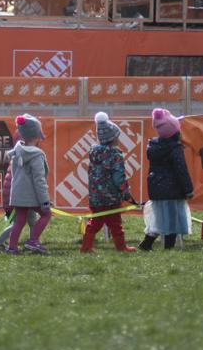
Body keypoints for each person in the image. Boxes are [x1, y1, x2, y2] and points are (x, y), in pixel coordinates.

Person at [80, 112, 135, 253]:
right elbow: (118, 178)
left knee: (95, 222)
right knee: (115, 223)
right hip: (111, 197)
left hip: (96, 197)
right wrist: (126, 193)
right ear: (114, 138)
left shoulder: (93, 153)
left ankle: (86, 246)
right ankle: (121, 247)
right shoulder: (115, 155)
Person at [140, 108, 192, 251]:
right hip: (173, 189)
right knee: (173, 220)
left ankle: (147, 243)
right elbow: (181, 170)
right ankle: (169, 248)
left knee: (159, 218)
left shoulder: (153, 146)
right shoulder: (175, 148)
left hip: (156, 188)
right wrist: (188, 189)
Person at [4, 114, 51, 254]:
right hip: (31, 196)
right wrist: (45, 201)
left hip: (17, 195)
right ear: (37, 136)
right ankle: (33, 240)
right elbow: (39, 180)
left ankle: (12, 247)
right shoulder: (37, 155)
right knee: (46, 214)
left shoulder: (17, 151)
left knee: (19, 221)